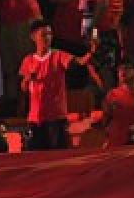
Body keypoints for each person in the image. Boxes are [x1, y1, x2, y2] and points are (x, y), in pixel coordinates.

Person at [19, 21, 98, 150]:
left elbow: (79, 62)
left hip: (55, 116)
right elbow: (23, 88)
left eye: (50, 34)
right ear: (33, 37)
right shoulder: (28, 60)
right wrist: (28, 79)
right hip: (35, 117)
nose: (48, 38)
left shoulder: (58, 55)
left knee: (57, 154)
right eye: (44, 34)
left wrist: (90, 53)